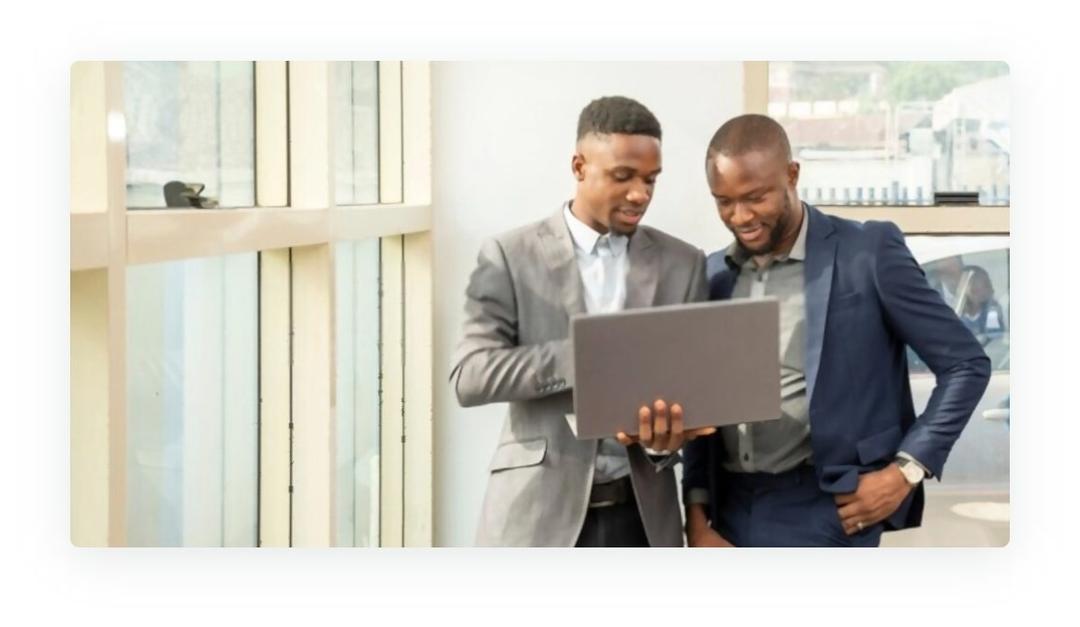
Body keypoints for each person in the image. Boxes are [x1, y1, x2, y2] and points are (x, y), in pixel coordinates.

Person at [681, 114, 992, 547]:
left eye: (756, 197)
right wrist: (696, 519)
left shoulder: (868, 253)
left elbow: (966, 364)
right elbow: (702, 408)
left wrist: (905, 470)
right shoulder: (711, 275)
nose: (741, 216)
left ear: (792, 175)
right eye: (724, 202)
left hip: (828, 510)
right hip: (728, 516)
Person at [451, 96, 713, 547]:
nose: (640, 194)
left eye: (651, 180)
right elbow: (469, 376)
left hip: (644, 520)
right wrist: (587, 355)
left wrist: (662, 443)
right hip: (536, 516)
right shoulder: (509, 255)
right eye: (623, 176)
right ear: (579, 166)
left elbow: (691, 397)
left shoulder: (683, 264)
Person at [958, 265, 1007, 336]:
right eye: (987, 285)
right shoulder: (957, 314)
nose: (992, 289)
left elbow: (995, 335)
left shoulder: (992, 310)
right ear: (973, 290)